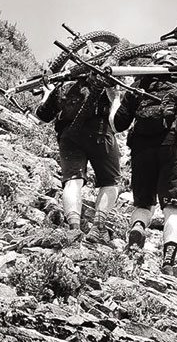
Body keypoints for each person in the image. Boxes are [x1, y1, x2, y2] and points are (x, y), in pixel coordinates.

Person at [113, 50, 177, 273]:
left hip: (141, 148)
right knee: (173, 208)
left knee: (143, 204)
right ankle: (168, 261)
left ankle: (138, 229)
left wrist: (114, 97)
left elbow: (118, 124)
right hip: (175, 146)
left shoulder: (142, 82)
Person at [34, 71, 122, 238]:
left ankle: (74, 227)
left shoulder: (62, 84)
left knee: (73, 181)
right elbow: (117, 110)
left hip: (68, 134)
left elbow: (43, 116)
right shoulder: (102, 79)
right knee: (110, 181)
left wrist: (47, 94)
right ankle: (98, 226)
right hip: (99, 131)